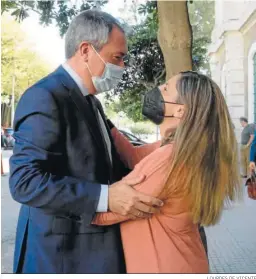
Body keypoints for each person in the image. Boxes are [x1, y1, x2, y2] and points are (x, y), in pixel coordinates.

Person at [9, 10, 163, 274]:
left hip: (91, 252)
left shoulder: (91, 101)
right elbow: (25, 182)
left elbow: (114, 161)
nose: (123, 68)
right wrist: (105, 197)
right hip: (59, 256)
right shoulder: (46, 96)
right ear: (85, 51)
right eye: (118, 58)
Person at [92, 71, 241, 273]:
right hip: (186, 260)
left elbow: (109, 212)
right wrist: (105, 121)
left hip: (163, 266)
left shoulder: (170, 158)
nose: (157, 90)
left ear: (180, 110)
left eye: (166, 88)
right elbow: (133, 156)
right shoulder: (189, 149)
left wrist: (66, 197)